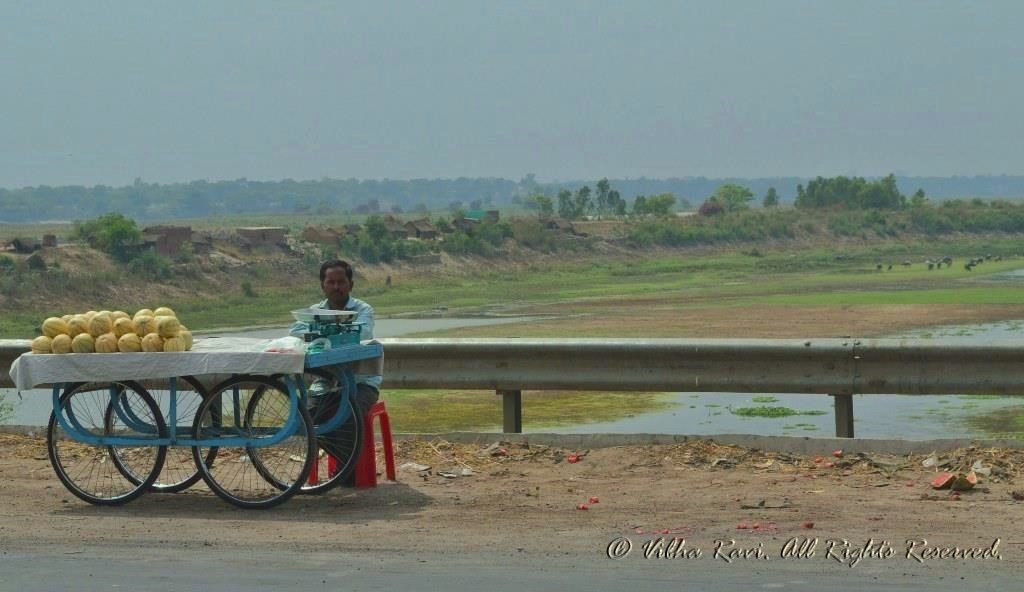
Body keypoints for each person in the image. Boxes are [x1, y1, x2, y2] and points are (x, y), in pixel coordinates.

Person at [289, 260, 380, 473]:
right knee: (305, 419)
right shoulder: (314, 311)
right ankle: (347, 464)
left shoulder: (362, 309)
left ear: (351, 285)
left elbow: (362, 334)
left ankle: (348, 469)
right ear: (323, 285)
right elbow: (294, 332)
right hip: (325, 382)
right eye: (331, 282)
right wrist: (331, 333)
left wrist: (320, 334)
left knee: (348, 416)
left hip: (361, 383)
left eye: (341, 282)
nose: (336, 287)